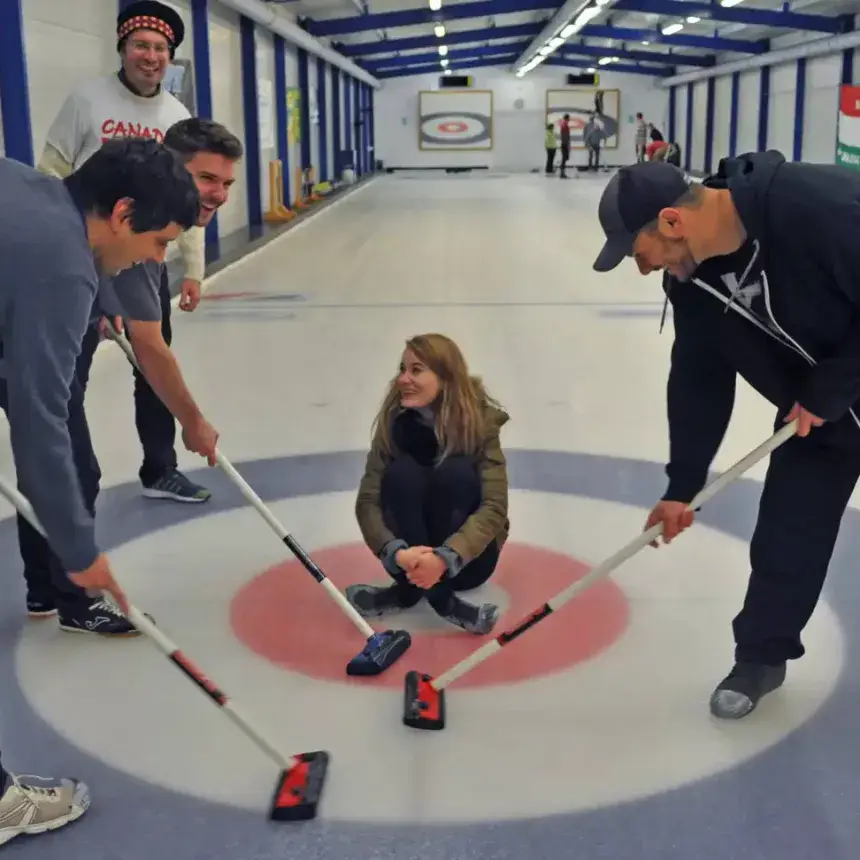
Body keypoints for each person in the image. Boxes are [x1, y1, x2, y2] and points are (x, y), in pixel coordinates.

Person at [592, 153, 860, 720]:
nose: (645, 271)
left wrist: (830, 388)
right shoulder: (693, 282)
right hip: (821, 418)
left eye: (640, 256)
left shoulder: (812, 206)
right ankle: (761, 656)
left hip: (830, 393)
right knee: (788, 532)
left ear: (671, 222)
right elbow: (698, 376)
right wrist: (682, 483)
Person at [0, 137, 200, 845]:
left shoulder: (24, 186)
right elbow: (39, 419)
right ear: (121, 213)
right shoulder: (63, 268)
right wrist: (78, 547)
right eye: (156, 241)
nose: (155, 259)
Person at [22, 118, 243, 627]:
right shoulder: (134, 228)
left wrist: (103, 295)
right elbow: (150, 348)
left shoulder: (101, 210)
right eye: (208, 179)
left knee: (65, 460)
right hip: (41, 329)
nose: (219, 194)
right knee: (71, 465)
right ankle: (75, 596)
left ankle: (45, 589)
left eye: (227, 183)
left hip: (55, 317)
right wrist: (193, 422)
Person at [37, 0, 211, 505]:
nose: (150, 56)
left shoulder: (178, 117)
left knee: (152, 362)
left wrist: (192, 270)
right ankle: (69, 467)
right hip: (85, 256)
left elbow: (188, 201)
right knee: (74, 366)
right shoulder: (87, 100)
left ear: (170, 56)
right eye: (140, 45)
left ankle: (161, 469)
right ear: (123, 48)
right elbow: (51, 170)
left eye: (159, 48)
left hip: (145, 260)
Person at [348, 334, 509, 635]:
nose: (403, 379)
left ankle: (408, 594)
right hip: (407, 563)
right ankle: (443, 602)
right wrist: (396, 553)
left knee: (456, 473)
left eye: (416, 370)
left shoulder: (480, 422)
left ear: (446, 378)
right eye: (402, 369)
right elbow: (367, 502)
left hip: (467, 564)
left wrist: (445, 558)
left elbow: (495, 506)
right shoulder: (394, 421)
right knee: (401, 474)